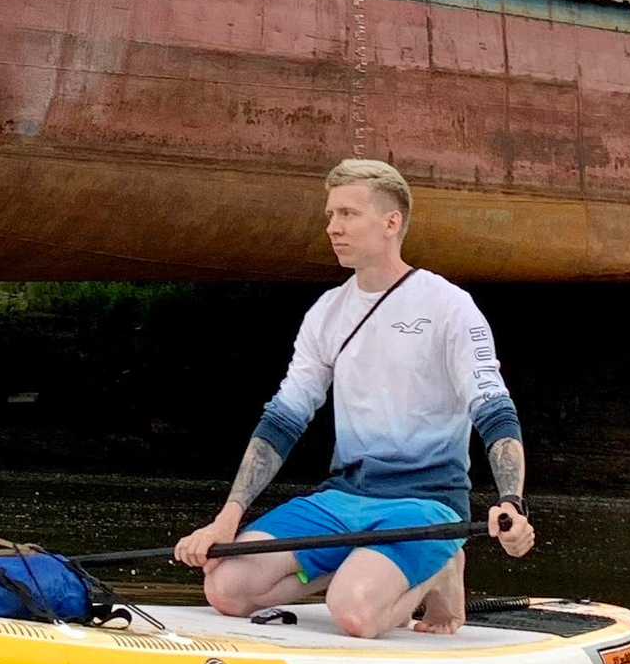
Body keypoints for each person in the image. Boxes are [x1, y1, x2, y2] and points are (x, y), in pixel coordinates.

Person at [174, 159, 534, 638]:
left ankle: (442, 566)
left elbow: (494, 412)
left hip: (425, 504)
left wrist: (511, 500)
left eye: (347, 214)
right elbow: (283, 420)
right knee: (227, 589)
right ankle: (361, 561)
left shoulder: (448, 307)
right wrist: (226, 520)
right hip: (343, 499)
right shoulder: (327, 312)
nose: (332, 228)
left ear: (391, 223)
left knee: (354, 614)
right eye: (330, 215)